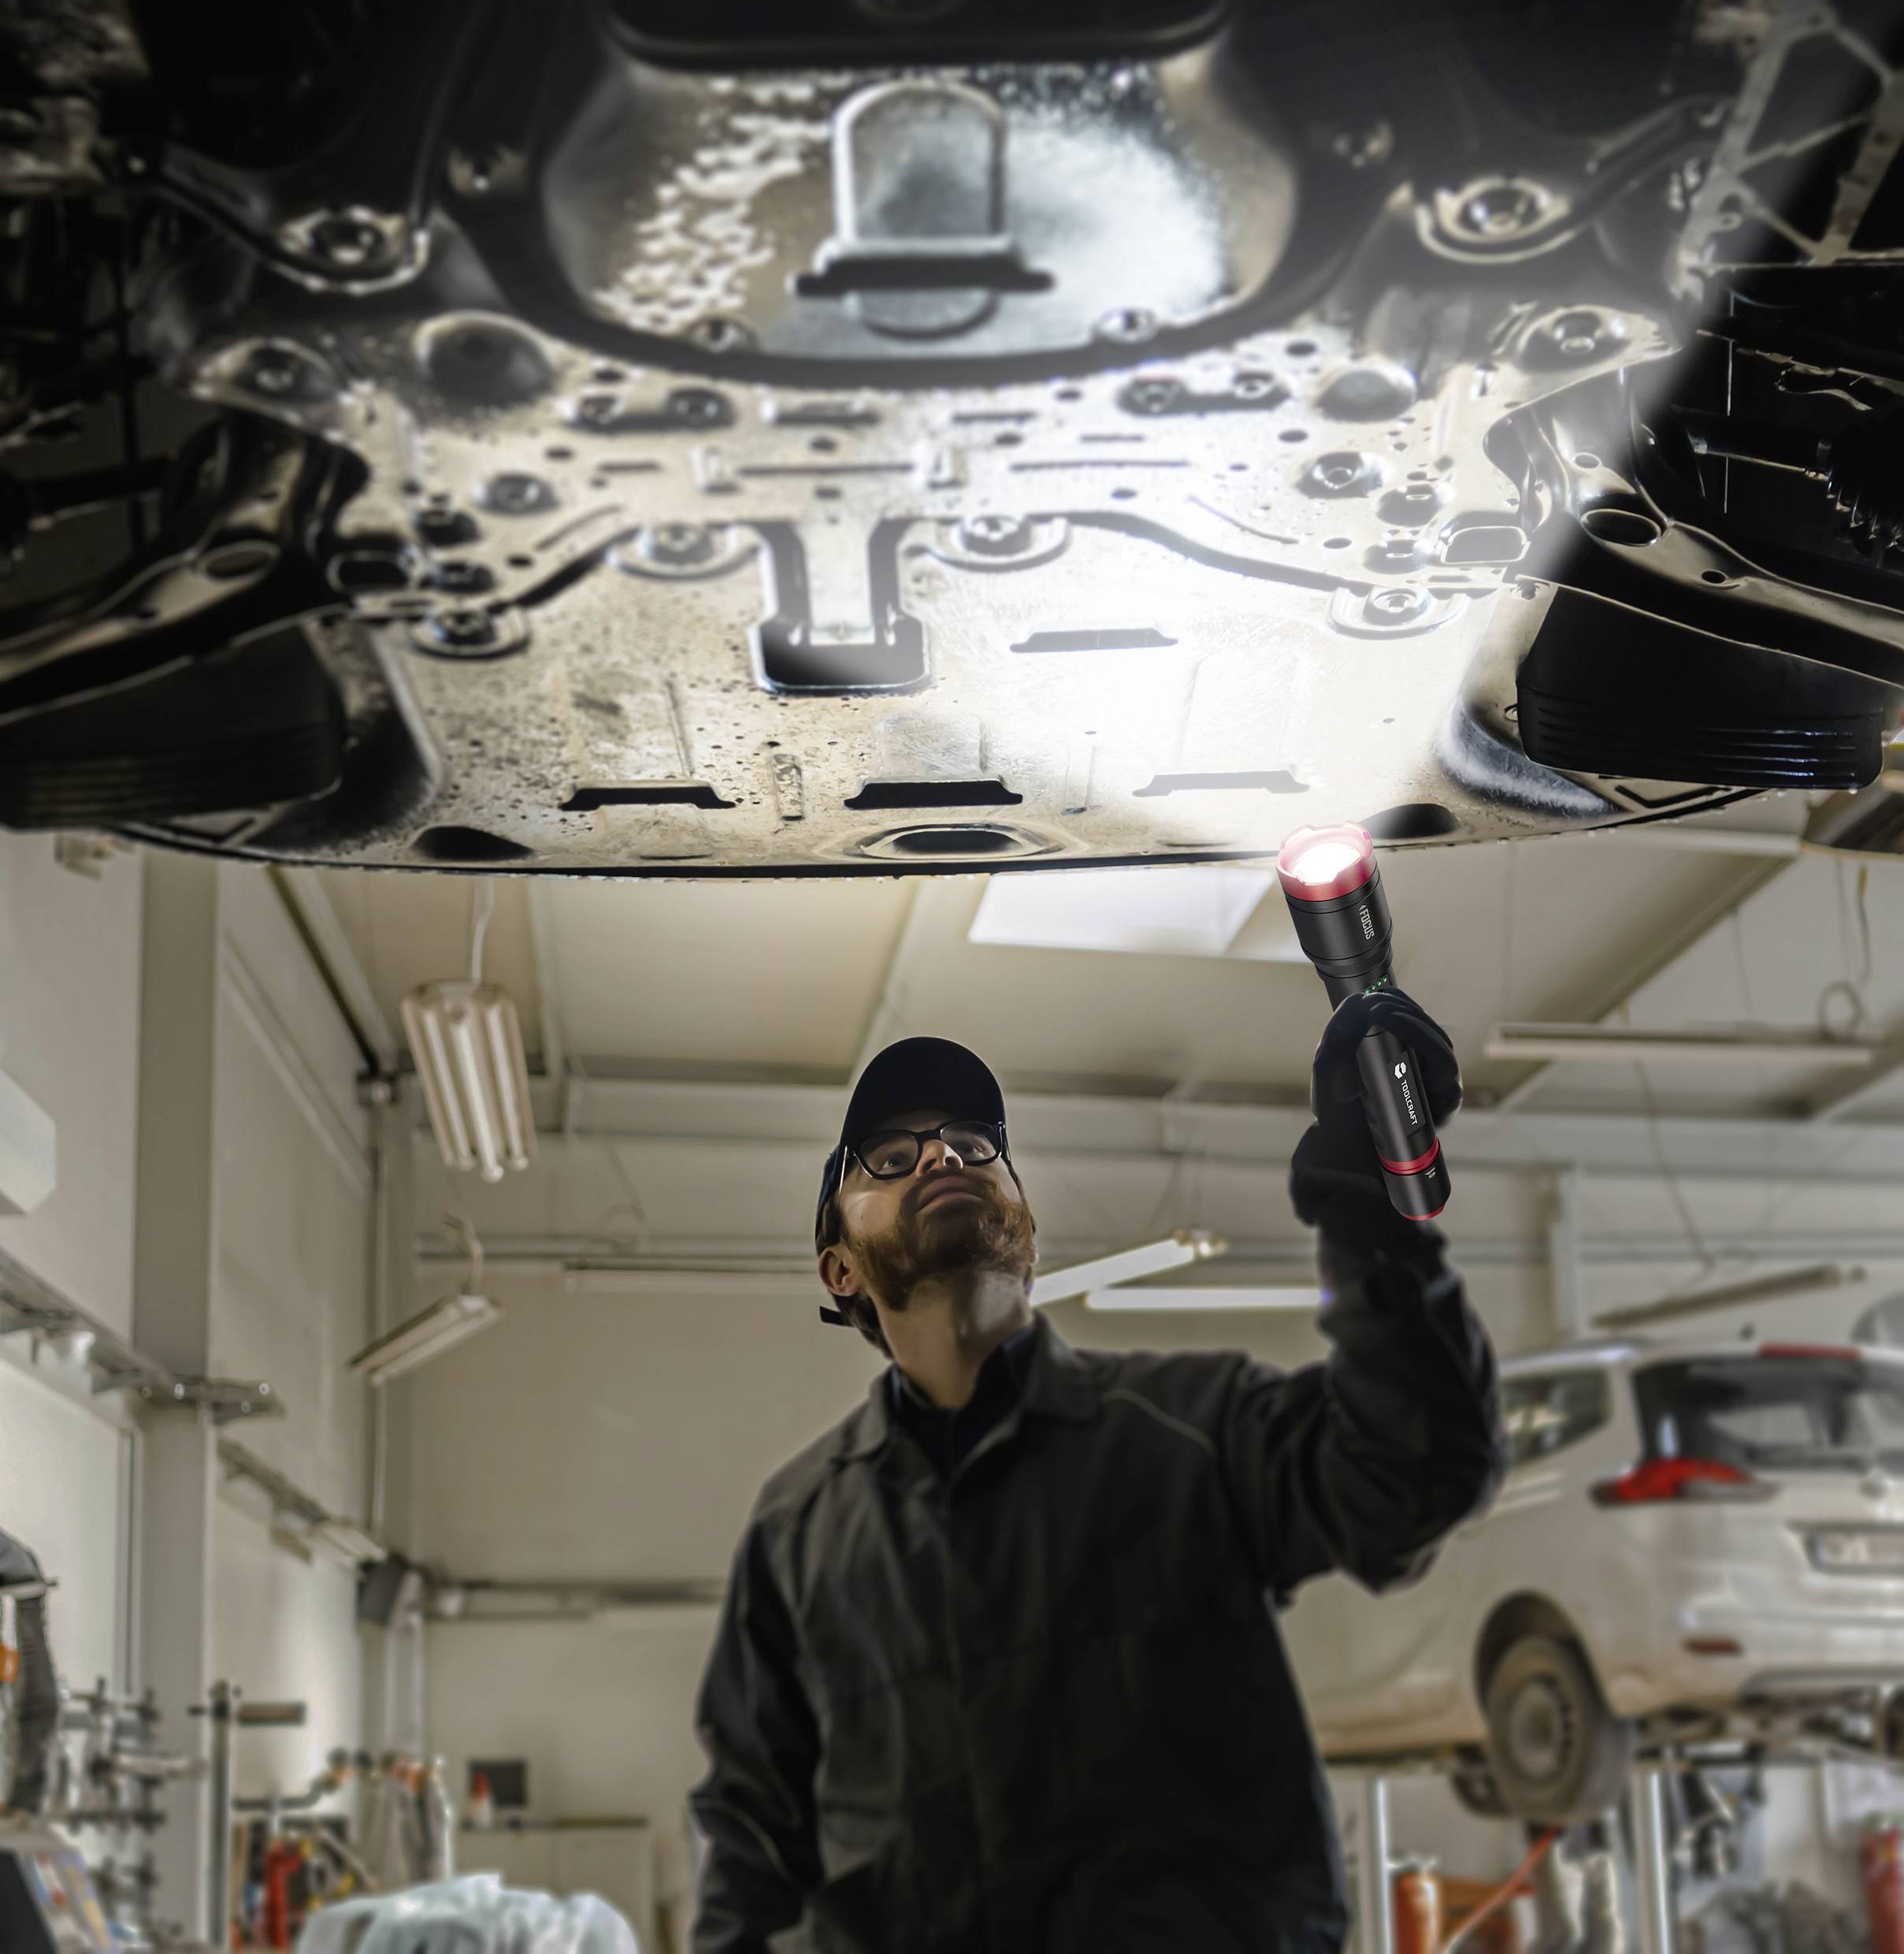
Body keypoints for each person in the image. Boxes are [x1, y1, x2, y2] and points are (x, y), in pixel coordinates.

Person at [690, 990, 1505, 1954]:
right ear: (838, 1267)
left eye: (971, 1142)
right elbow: (751, 1851)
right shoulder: (797, 1531)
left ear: (1023, 1220)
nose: (943, 1156)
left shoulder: (1190, 1430)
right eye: (891, 1157)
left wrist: (1369, 1195)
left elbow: (1412, 1472)